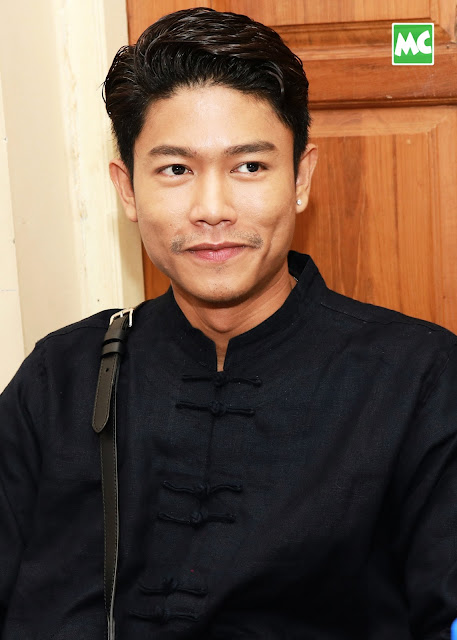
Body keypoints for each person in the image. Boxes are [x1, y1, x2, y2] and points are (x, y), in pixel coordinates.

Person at [1, 7, 456, 639]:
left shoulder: (418, 380)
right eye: (176, 170)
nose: (212, 209)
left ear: (300, 178)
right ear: (127, 190)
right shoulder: (59, 377)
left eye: (249, 167)